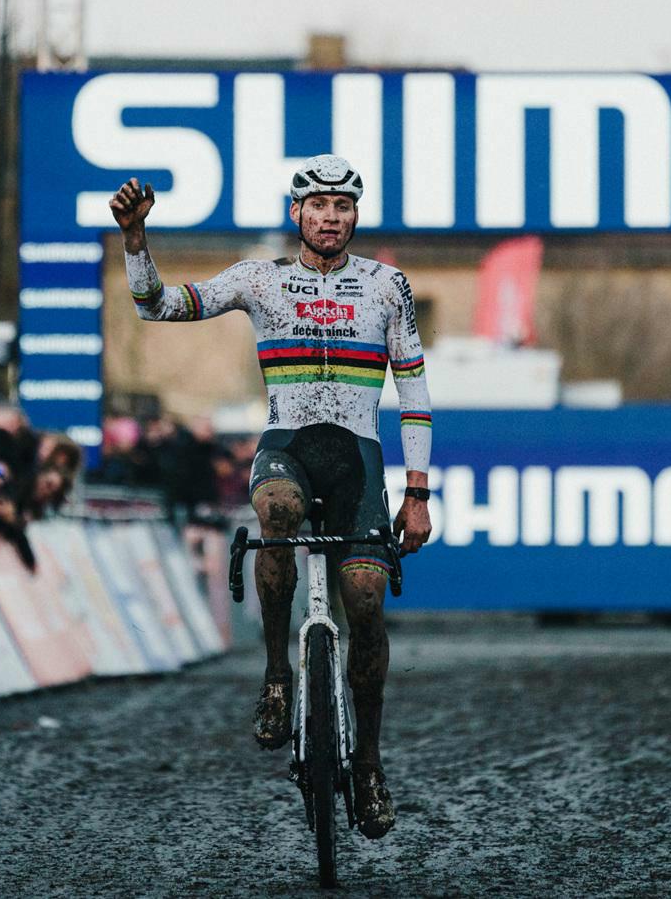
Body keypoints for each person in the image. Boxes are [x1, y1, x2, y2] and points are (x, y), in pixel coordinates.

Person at [109, 154, 434, 839]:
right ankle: (278, 676)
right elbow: (160, 306)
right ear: (297, 214)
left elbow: (413, 392)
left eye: (343, 208)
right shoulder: (260, 278)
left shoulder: (387, 285)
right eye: (318, 206)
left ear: (355, 216)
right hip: (287, 448)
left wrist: (416, 492)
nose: (331, 218)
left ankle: (370, 765)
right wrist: (137, 243)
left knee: (369, 610)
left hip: (358, 460)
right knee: (277, 514)